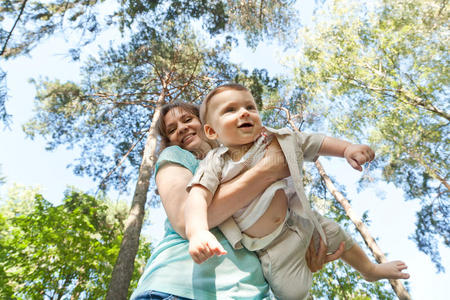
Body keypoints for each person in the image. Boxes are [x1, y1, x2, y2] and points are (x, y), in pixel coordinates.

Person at [184, 83, 410, 300]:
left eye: (250, 107)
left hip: (301, 222)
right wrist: (198, 232)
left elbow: (315, 142)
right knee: (292, 293)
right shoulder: (215, 162)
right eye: (230, 110)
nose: (244, 113)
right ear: (212, 131)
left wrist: (348, 149)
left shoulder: (277, 139)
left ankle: (369, 269)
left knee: (334, 233)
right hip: (271, 246)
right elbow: (197, 196)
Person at [131, 102, 342, 300]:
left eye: (187, 120)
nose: (182, 128)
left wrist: (301, 253)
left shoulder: (242, 159)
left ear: (207, 125)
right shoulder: (177, 156)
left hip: (251, 292)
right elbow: (184, 220)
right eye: (171, 129)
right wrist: (266, 171)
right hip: (180, 288)